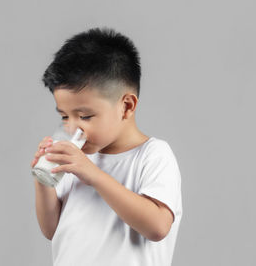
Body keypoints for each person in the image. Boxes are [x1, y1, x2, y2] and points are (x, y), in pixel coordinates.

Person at [31, 27, 183, 266]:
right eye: (64, 116)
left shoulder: (153, 155)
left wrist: (92, 174)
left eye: (85, 116)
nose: (72, 128)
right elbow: (52, 230)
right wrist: (43, 183)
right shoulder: (75, 159)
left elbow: (157, 226)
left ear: (126, 106)